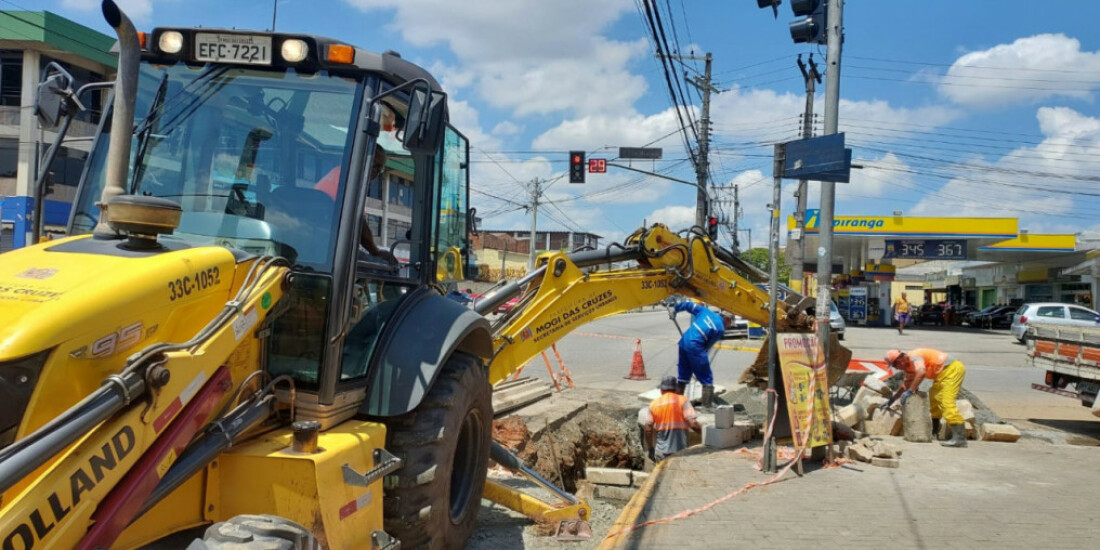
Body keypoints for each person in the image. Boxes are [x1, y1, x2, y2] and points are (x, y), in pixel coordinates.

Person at [315, 145, 395, 264]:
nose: (378, 172)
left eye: (381, 169)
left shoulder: (339, 173)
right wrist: (376, 253)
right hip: (329, 250)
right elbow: (360, 226)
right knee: (385, 267)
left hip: (322, 244)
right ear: (363, 158)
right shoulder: (349, 181)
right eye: (376, 166)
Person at [884, 348, 968, 447]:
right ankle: (933, 433)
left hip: (951, 369)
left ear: (899, 360)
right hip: (941, 375)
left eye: (895, 365)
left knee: (946, 402)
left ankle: (960, 438)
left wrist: (911, 391)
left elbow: (921, 372)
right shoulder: (909, 367)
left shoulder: (914, 357)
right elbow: (905, 385)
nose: (896, 368)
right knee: (934, 401)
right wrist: (893, 399)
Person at [672, 298, 724, 407]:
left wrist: (675, 310)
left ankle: (676, 405)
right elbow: (707, 346)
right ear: (727, 320)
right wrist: (699, 365)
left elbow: (689, 305)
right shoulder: (720, 328)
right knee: (707, 378)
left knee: (683, 375)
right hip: (696, 345)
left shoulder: (705, 311)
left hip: (684, 342)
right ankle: (706, 406)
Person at [640, 376, 702, 462]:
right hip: (680, 452)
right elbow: (693, 424)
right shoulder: (683, 401)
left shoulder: (653, 404)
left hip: (661, 452)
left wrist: (651, 449)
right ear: (676, 389)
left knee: (663, 474)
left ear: (661, 390)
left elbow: (648, 429)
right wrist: (706, 435)